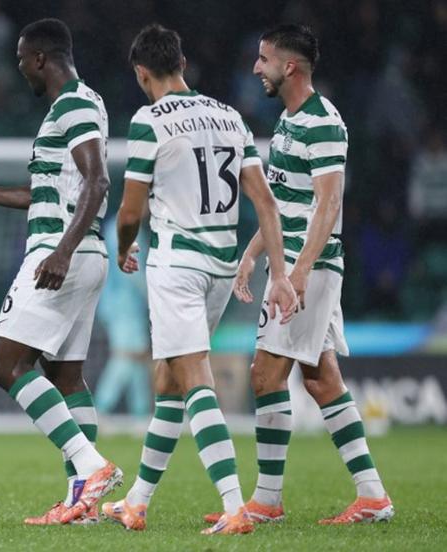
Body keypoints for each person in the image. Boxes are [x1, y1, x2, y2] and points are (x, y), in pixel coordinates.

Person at [100, 24, 297, 535]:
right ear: (182, 64)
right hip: (220, 268)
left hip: (177, 266)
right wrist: (279, 273)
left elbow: (128, 212)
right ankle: (136, 503)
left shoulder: (149, 122)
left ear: (142, 74)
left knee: (193, 378)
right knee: (168, 384)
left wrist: (124, 251)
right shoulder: (230, 116)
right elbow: (265, 203)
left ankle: (234, 508)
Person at [205, 24, 393, 526]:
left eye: (263, 59)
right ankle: (372, 495)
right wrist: (252, 254)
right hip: (290, 268)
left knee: (265, 375)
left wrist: (300, 273)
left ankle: (266, 501)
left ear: (289, 66)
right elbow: (282, 205)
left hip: (310, 269)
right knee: (320, 378)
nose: (255, 69)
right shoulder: (289, 122)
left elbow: (330, 204)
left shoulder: (323, 122)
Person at [0, 18, 121, 526]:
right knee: (66, 376)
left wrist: (62, 250)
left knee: (6, 365)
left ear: (41, 58)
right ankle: (82, 503)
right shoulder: (72, 108)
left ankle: (90, 469)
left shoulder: (73, 103)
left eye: (23, 58)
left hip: (61, 255)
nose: (19, 66)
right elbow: (43, 194)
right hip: (79, 254)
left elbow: (99, 179)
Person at [94, 218, 152, 418]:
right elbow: (133, 272)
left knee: (138, 357)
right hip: (122, 306)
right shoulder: (124, 228)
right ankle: (101, 409)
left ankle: (141, 413)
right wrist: (153, 297)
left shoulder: (117, 227)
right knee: (126, 356)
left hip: (128, 307)